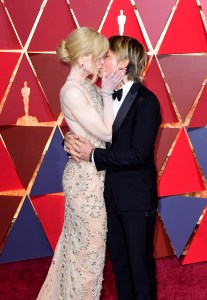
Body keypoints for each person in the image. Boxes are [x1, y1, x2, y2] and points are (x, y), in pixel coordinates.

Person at [65, 35, 162, 300]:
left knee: (139, 268)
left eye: (106, 55)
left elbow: (138, 155)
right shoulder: (100, 94)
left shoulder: (147, 102)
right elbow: (86, 127)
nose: (101, 60)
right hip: (107, 197)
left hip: (135, 199)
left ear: (123, 63)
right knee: (119, 265)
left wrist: (94, 155)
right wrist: (70, 138)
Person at [36, 27, 125, 300]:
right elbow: (108, 133)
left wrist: (107, 93)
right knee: (87, 253)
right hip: (84, 180)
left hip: (98, 175)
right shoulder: (72, 91)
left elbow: (106, 131)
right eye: (98, 55)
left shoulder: (88, 86)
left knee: (86, 251)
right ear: (83, 57)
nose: (101, 61)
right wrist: (108, 94)